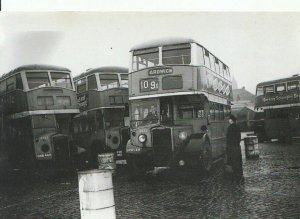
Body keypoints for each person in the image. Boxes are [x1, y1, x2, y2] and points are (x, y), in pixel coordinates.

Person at [226, 114, 244, 183]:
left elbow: (229, 138)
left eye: (229, 119)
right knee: (238, 161)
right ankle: (239, 174)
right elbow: (238, 137)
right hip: (237, 146)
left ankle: (234, 175)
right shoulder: (237, 127)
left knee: (232, 161)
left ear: (231, 120)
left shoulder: (230, 128)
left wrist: (228, 146)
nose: (228, 120)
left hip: (231, 147)